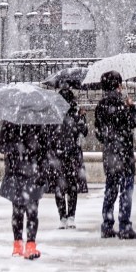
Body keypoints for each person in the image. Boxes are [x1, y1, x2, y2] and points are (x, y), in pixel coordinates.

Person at [94, 70, 136, 239]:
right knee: (126, 190)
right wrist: (132, 108)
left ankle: (107, 225)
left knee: (110, 190)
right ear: (118, 86)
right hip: (125, 153)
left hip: (110, 154)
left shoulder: (100, 106)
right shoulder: (122, 105)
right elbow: (132, 123)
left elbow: (99, 134)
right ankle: (124, 226)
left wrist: (109, 140)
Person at [0, 121, 50, 260]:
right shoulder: (10, 123)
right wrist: (16, 147)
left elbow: (45, 147)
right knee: (18, 210)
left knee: (32, 211)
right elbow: (1, 146)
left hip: (33, 171)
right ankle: (18, 244)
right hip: (16, 171)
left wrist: (32, 150)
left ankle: (30, 244)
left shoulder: (38, 123)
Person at [47, 83, 89, 228]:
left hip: (59, 155)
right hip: (72, 155)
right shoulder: (74, 115)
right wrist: (82, 118)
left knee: (60, 187)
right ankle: (70, 216)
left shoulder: (54, 115)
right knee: (72, 187)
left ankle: (63, 217)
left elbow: (48, 136)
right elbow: (83, 132)